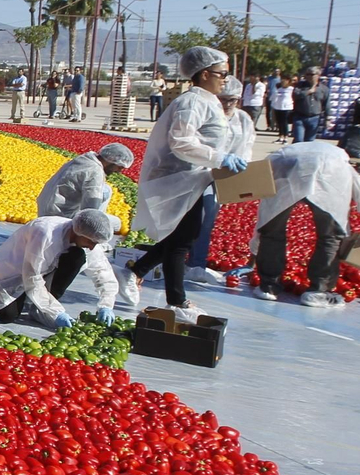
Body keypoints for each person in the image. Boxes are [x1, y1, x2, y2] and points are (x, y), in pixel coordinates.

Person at [121, 46, 242, 320]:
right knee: (182, 240)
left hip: (194, 176)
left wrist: (223, 159)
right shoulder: (192, 102)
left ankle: (135, 272)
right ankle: (176, 301)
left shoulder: (208, 100)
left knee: (182, 236)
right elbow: (181, 141)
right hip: (178, 176)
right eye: (222, 73)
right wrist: (217, 157)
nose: (225, 79)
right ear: (204, 74)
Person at [251, 142, 360, 307]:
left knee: (271, 229)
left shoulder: (280, 155)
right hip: (329, 173)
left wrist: (252, 258)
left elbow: (263, 215)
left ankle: (268, 287)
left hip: (288, 166)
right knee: (331, 235)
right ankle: (318, 291)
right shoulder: (341, 162)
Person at [0, 209, 119, 328]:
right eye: (91, 241)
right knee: (7, 316)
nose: (92, 246)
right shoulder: (45, 234)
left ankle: (41, 307)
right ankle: (40, 305)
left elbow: (102, 272)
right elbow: (32, 278)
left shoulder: (86, 237)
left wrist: (106, 305)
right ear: (77, 231)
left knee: (77, 257)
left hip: (40, 274)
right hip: (12, 276)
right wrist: (56, 313)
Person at [186, 77, 257, 285]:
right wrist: (215, 159)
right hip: (199, 170)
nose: (227, 104)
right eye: (223, 99)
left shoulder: (243, 119)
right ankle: (182, 257)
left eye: (232, 100)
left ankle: (196, 263)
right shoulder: (208, 113)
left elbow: (247, 145)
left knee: (208, 215)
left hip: (225, 173)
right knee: (192, 214)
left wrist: (239, 165)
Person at [37, 142, 135, 220]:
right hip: (61, 215)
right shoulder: (95, 171)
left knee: (106, 189)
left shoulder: (84, 159)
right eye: (119, 167)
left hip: (46, 209)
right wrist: (95, 221)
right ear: (112, 160)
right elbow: (92, 206)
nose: (118, 171)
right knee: (116, 223)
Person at [291, 67, 328, 143]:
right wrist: (308, 91)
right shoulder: (299, 86)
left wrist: (328, 118)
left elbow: (326, 103)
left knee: (309, 141)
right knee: (299, 139)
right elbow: (295, 95)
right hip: (300, 117)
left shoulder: (324, 89)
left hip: (314, 118)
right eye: (307, 74)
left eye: (311, 74)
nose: (308, 76)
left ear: (318, 75)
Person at [269, 75, 295, 145]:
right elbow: (274, 98)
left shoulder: (291, 89)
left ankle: (286, 138)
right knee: (279, 123)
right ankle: (281, 137)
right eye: (282, 80)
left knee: (285, 123)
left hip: (287, 108)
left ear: (288, 81)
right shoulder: (279, 89)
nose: (283, 82)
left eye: (285, 80)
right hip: (278, 107)